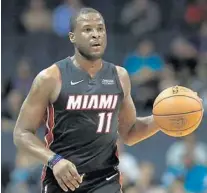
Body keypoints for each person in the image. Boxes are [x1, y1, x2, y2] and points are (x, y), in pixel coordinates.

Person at [13, 8, 161, 193]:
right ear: (72, 36)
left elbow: (129, 132)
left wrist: (162, 120)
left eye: (100, 29)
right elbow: (22, 133)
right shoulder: (50, 78)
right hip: (62, 181)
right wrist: (54, 160)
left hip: (105, 181)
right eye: (87, 30)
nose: (96, 35)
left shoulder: (120, 76)